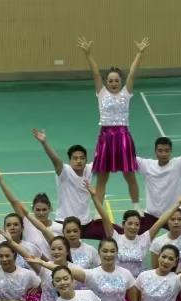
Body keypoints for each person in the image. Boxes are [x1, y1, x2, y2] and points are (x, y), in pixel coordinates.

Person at [77, 36, 150, 211]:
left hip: (123, 138)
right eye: (110, 81)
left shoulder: (126, 93)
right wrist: (88, 54)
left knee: (130, 176)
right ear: (106, 82)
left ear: (121, 81)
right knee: (102, 179)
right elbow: (95, 73)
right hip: (105, 138)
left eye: (117, 80)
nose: (114, 83)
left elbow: (132, 73)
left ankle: (137, 208)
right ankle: (98, 211)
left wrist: (139, 53)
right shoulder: (101, 93)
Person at [89, 180, 181, 277]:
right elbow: (105, 217)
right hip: (119, 280)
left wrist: (177, 204)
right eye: (130, 224)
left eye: (137, 224)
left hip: (138, 283)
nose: (133, 227)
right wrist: (94, 197)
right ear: (123, 224)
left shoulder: (144, 239)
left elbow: (161, 221)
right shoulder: (116, 237)